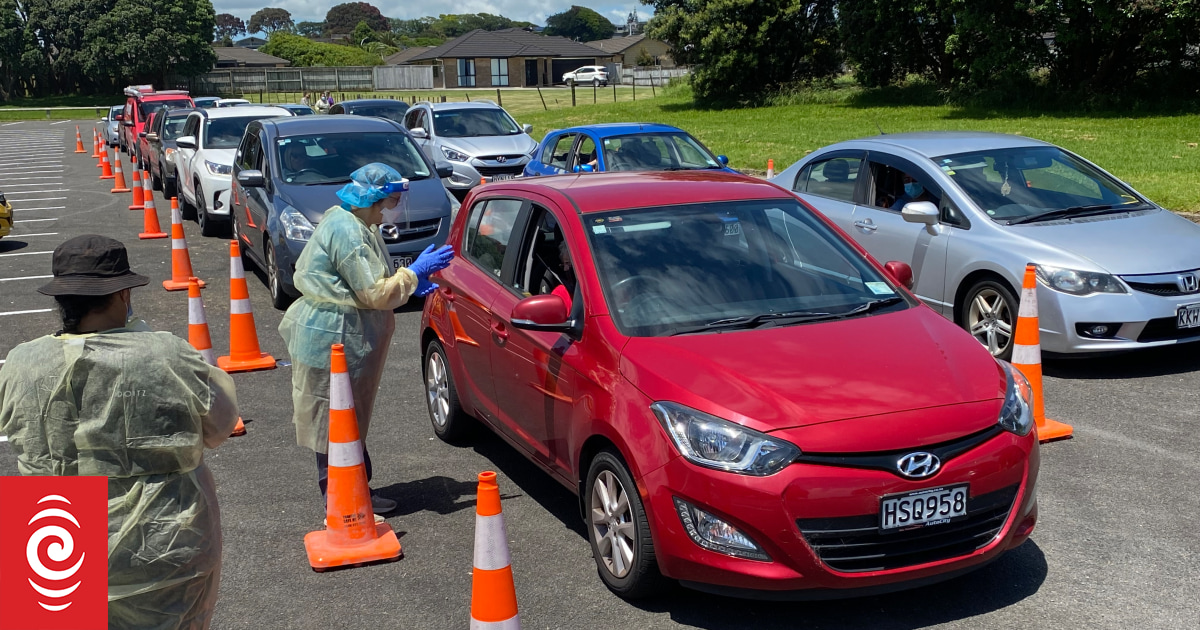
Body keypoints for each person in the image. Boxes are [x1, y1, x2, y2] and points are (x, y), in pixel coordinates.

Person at [0, 235, 239, 630]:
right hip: (159, 536)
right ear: (123, 293)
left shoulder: (21, 362)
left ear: (62, 300)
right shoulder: (167, 354)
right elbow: (221, 424)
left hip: (50, 531)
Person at [278, 163, 453, 516]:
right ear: (372, 198)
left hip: (342, 335)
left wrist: (409, 282)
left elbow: (370, 282)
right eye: (388, 202)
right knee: (335, 423)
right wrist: (412, 274)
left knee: (346, 419)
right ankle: (343, 506)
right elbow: (374, 291)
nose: (390, 210)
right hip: (333, 337)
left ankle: (357, 492)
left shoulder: (354, 223)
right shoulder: (349, 233)